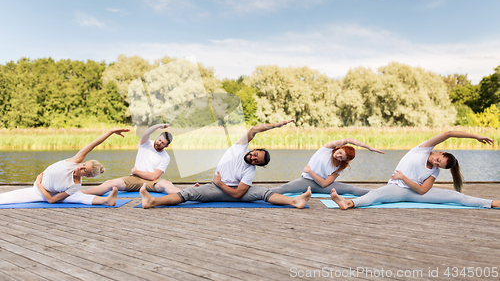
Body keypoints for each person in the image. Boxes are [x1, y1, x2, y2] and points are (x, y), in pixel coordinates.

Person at [140, 120, 311, 209]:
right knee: (188, 193)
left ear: (256, 165)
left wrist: (220, 184)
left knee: (264, 193)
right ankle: (153, 202)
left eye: (256, 161)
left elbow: (237, 195)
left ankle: (295, 201)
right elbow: (253, 130)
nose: (252, 158)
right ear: (254, 149)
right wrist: (277, 125)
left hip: (229, 190)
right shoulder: (240, 146)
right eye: (255, 155)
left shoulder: (249, 171)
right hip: (215, 188)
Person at [330, 131, 500, 209]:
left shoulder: (434, 171)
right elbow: (449, 133)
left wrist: (403, 177)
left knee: (456, 196)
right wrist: (476, 136)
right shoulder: (423, 149)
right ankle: (349, 203)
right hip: (397, 189)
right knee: (375, 195)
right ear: (440, 152)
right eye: (438, 160)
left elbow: (421, 190)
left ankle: (492, 203)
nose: (435, 163)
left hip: (413, 192)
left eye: (438, 165)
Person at [0, 128, 129, 206]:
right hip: (39, 189)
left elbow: (51, 200)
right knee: (4, 198)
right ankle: (105, 200)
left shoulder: (75, 185)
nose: (81, 167)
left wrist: (38, 183)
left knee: (78, 196)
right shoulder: (74, 162)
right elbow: (93, 144)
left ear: (88, 175)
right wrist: (111, 132)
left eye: (85, 170)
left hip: (40, 192)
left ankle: (107, 201)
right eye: (83, 164)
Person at [83, 124, 182, 196]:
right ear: (157, 138)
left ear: (167, 145)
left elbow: (154, 176)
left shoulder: (165, 157)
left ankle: (189, 195)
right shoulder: (146, 143)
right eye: (159, 140)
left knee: (167, 185)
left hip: (152, 182)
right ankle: (79, 193)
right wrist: (158, 126)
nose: (159, 143)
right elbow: (146, 133)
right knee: (109, 183)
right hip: (134, 179)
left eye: (163, 143)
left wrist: (136, 171)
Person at [270, 138, 385, 196]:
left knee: (351, 190)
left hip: (321, 186)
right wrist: (368, 147)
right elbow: (349, 139)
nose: (338, 156)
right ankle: (257, 194)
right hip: (306, 181)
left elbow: (324, 184)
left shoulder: (340, 166)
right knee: (283, 189)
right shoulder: (327, 149)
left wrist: (309, 171)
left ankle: (380, 194)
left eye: (341, 158)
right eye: (340, 152)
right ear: (339, 148)